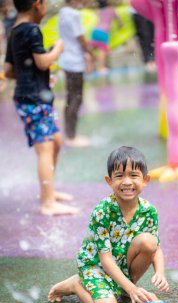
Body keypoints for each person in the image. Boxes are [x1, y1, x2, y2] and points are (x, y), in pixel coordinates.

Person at [48, 146, 169, 303]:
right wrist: (132, 289)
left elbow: (156, 248)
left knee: (148, 242)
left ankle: (125, 288)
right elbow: (105, 259)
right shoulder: (103, 210)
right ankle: (75, 284)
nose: (127, 182)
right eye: (119, 176)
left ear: (145, 180)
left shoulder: (148, 210)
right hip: (96, 265)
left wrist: (160, 273)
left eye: (133, 175)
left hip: (121, 263)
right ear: (109, 181)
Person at [4, 0, 79, 216]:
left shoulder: (15, 31)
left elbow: (9, 70)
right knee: (45, 148)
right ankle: (47, 202)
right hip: (34, 99)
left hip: (30, 96)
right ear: (38, 4)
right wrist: (58, 49)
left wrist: (35, 77)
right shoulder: (33, 30)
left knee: (54, 142)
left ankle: (49, 192)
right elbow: (43, 62)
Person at [58, 0, 92, 148]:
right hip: (75, 61)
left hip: (66, 59)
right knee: (76, 98)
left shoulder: (63, 12)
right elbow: (81, 38)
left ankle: (69, 134)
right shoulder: (74, 14)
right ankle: (71, 137)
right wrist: (89, 52)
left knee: (70, 96)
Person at [89, 0, 121, 74]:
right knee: (102, 50)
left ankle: (89, 68)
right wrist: (120, 26)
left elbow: (97, 19)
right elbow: (119, 22)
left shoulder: (98, 11)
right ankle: (101, 68)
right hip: (104, 32)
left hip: (95, 31)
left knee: (91, 49)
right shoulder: (111, 9)